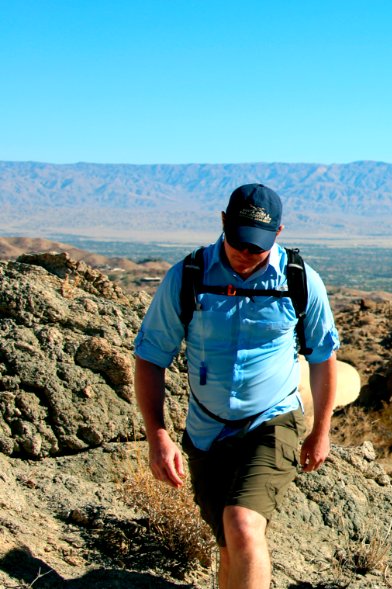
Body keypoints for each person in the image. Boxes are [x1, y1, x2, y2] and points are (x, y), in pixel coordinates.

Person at [134, 184, 340, 589]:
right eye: (238, 242)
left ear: (278, 233)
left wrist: (321, 431)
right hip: (206, 431)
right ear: (223, 222)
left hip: (272, 420)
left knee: (243, 525)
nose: (245, 255)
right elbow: (150, 357)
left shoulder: (299, 280)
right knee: (229, 547)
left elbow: (323, 357)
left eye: (257, 247)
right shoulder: (188, 276)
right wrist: (157, 434)